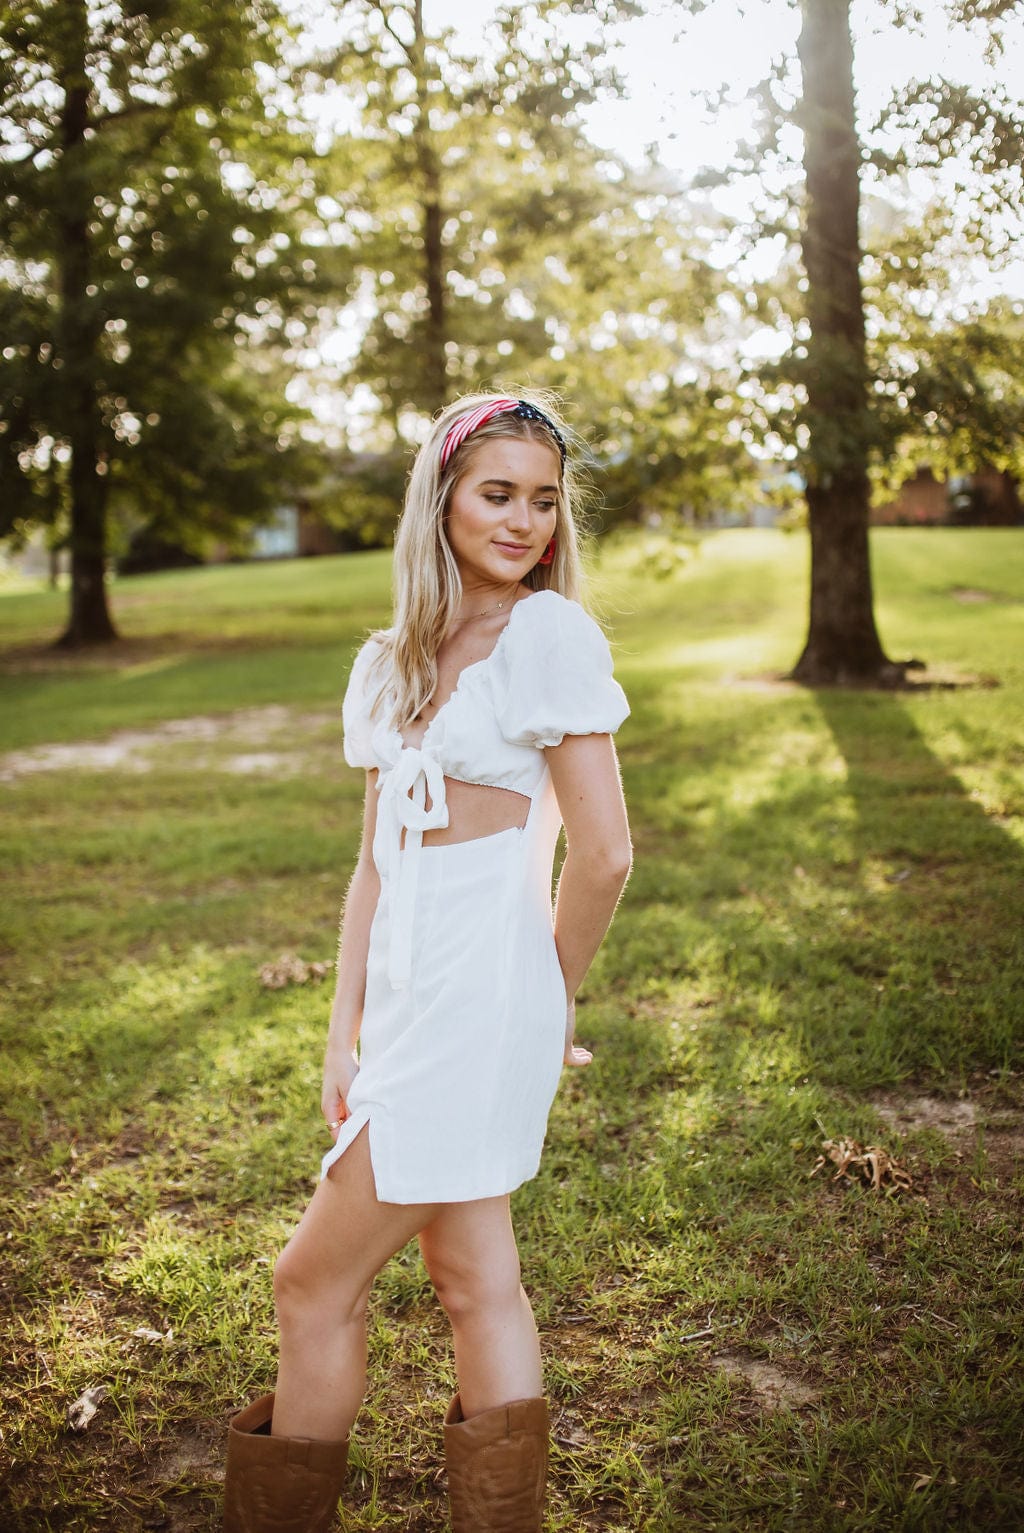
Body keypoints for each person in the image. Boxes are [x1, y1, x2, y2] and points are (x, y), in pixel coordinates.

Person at [222, 392, 632, 1533]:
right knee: (473, 1280)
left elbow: (603, 857)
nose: (524, 522)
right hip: (409, 999)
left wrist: (545, 998)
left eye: (543, 501)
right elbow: (373, 866)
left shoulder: (544, 635)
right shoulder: (390, 662)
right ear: (440, 497)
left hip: (480, 993)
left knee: (309, 1282)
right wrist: (340, 1028)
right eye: (497, 494)